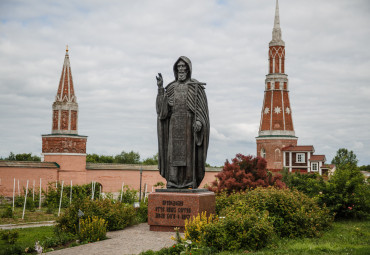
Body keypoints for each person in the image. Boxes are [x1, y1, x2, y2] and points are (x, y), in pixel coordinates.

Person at [156, 56, 209, 189]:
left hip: (188, 127)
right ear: (175, 69)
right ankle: (173, 181)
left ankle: (188, 181)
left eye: (183, 67)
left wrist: (199, 122)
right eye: (178, 67)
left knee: (188, 155)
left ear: (188, 69)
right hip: (174, 127)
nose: (181, 69)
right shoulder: (171, 88)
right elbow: (162, 112)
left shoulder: (195, 87)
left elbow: (201, 111)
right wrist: (160, 88)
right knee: (173, 155)